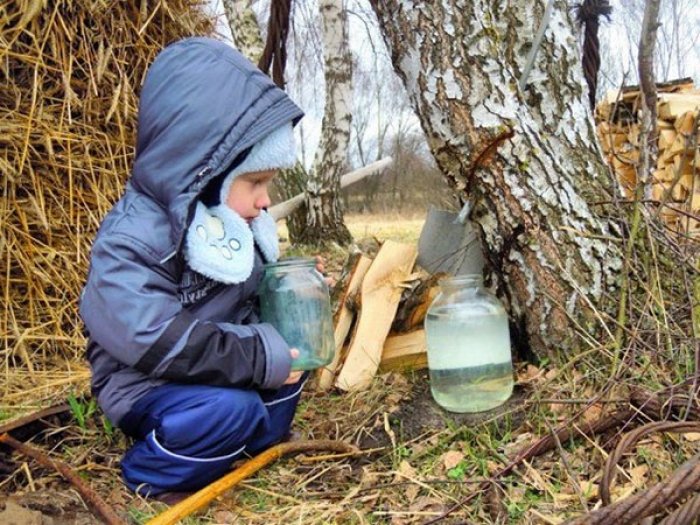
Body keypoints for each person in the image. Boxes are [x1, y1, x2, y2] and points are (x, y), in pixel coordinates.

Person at [79, 37, 311, 500]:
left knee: (293, 367)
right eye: (256, 183)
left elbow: (248, 301)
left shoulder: (227, 224)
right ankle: (153, 473)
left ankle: (243, 449)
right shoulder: (133, 239)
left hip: (214, 366)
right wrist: (258, 357)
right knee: (231, 410)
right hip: (146, 381)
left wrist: (294, 289)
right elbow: (156, 340)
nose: (265, 201)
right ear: (204, 170)